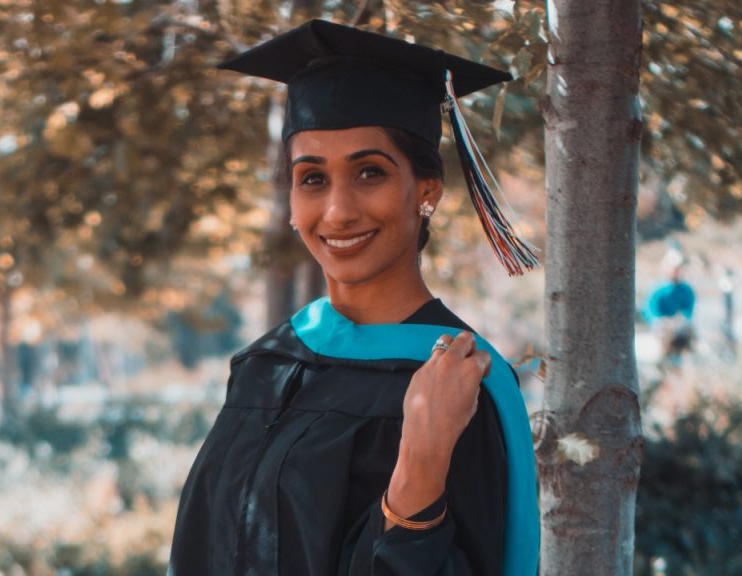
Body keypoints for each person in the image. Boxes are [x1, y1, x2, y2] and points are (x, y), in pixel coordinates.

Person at [168, 19, 539, 576]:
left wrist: (419, 469)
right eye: (312, 179)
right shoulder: (265, 365)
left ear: (427, 192)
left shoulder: (456, 385)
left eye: (370, 172)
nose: (338, 211)